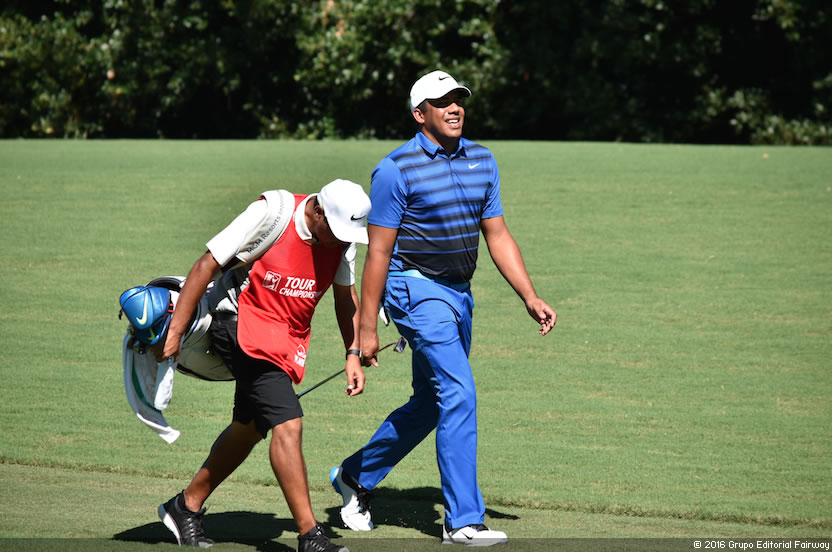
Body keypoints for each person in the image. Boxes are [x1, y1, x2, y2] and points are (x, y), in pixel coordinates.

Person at [329, 70, 557, 546]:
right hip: (413, 290)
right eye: (442, 101)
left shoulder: (482, 159)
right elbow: (378, 253)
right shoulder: (395, 168)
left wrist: (529, 296)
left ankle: (354, 476)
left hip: (459, 292)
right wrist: (364, 330)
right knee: (459, 394)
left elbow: (496, 233)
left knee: (433, 402)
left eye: (459, 99)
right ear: (420, 114)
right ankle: (463, 522)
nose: (455, 108)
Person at [156, 179, 371, 552]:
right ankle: (310, 536)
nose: (340, 241)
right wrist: (175, 330)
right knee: (288, 422)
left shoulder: (342, 239)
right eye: (334, 232)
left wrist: (352, 352)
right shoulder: (272, 213)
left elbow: (344, 297)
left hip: (284, 339)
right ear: (317, 210)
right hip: (238, 322)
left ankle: (184, 507)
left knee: (249, 428)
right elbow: (207, 263)